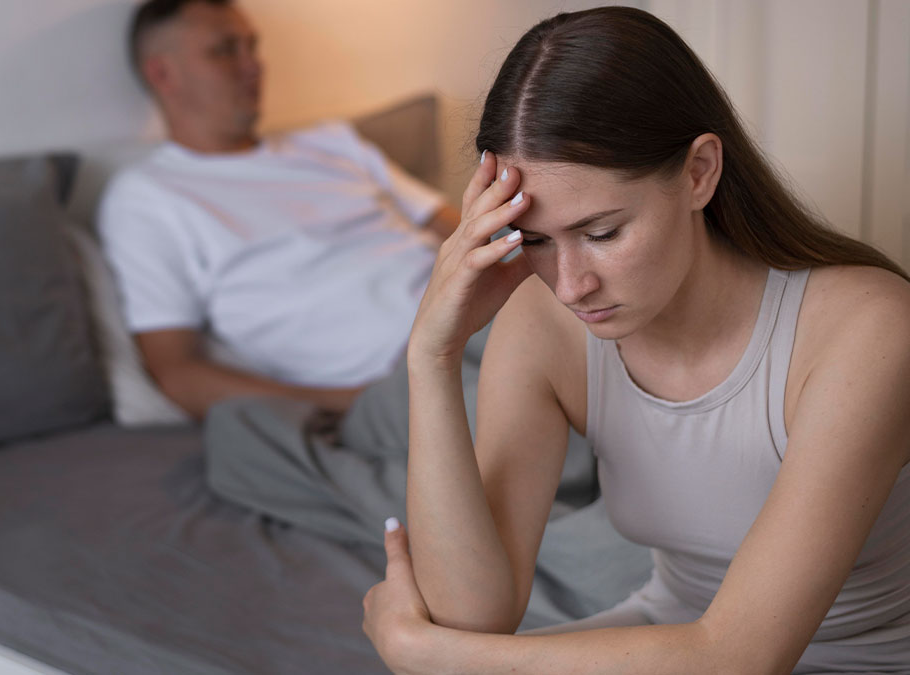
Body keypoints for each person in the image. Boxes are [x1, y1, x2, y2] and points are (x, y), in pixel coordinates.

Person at [362, 7, 910, 673]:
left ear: (699, 172)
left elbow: (740, 656)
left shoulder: (868, 329)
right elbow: (474, 614)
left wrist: (429, 653)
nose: (570, 285)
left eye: (602, 232)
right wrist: (432, 355)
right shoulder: (544, 323)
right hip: (662, 641)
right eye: (534, 240)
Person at [99, 0, 460, 420]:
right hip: (404, 379)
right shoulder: (147, 197)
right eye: (225, 50)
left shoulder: (331, 142)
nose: (254, 66)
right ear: (163, 74)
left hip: (478, 315)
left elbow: (457, 228)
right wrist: (348, 405)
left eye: (252, 47)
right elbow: (176, 372)